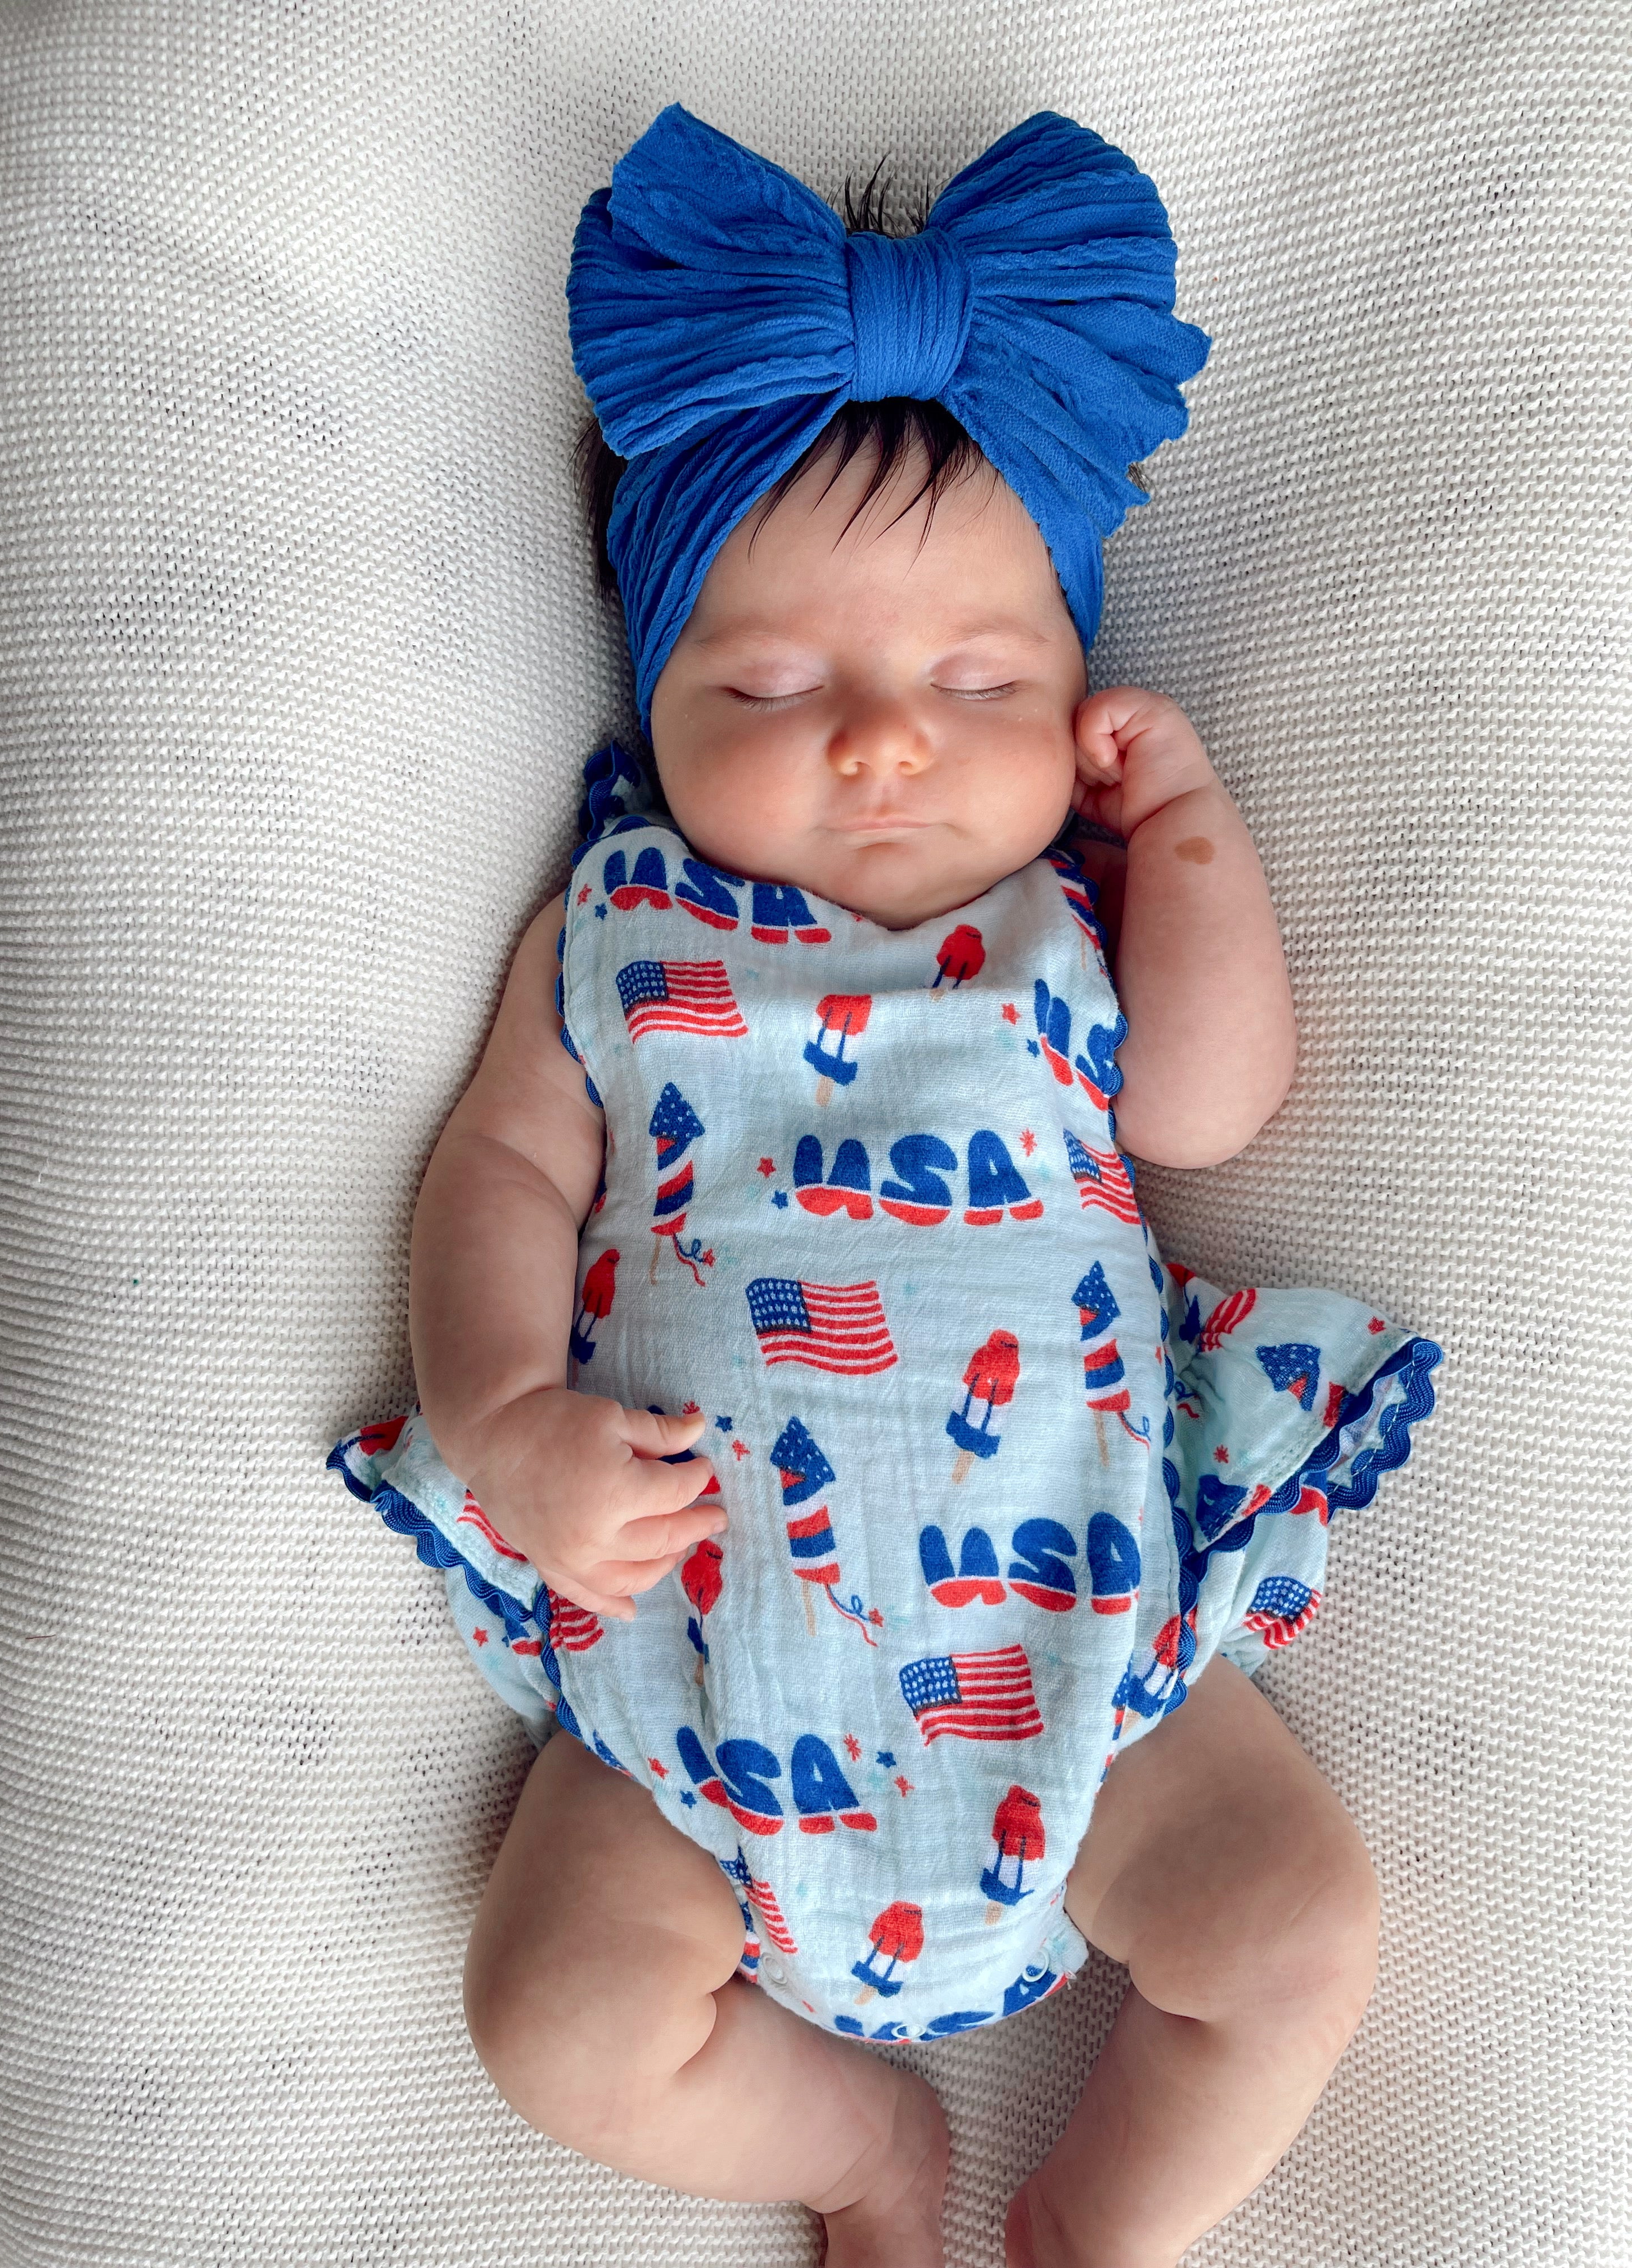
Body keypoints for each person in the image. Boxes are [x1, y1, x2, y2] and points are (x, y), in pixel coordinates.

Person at [329, 104, 1444, 2268]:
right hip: (697, 1642)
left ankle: (1086, 2230)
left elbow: (1203, 1115)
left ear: (1073, 696)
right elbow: (496, 1169)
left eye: (982, 681)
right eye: (771, 682)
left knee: (1295, 1931)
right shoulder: (621, 938)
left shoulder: (1070, 919)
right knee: (551, 2018)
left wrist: (1193, 837)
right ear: (653, 697)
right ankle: (856, 2149)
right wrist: (505, 1423)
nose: (884, 741)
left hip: (1081, 1632)